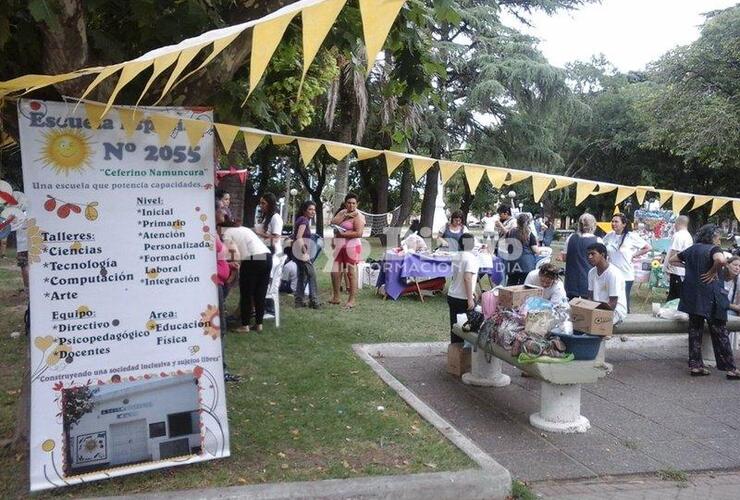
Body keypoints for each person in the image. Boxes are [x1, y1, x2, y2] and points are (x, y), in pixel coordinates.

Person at [668, 224, 740, 378]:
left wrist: (689, 266)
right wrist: (712, 271)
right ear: (712, 236)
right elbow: (720, 261)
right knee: (720, 332)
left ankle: (696, 366)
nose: (719, 239)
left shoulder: (692, 249)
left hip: (692, 295)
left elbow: (672, 260)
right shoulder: (714, 249)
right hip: (711, 296)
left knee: (695, 330)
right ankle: (731, 369)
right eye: (717, 236)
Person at [222, 225, 272, 333]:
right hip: (267, 256)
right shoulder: (243, 228)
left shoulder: (227, 233)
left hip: (252, 259)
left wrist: (233, 273)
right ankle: (259, 324)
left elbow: (235, 255)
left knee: (246, 294)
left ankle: (245, 325)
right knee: (260, 293)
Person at [603, 213, 651, 313]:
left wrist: (634, 255)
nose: (613, 223)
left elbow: (647, 247)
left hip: (626, 275)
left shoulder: (631, 236)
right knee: (611, 299)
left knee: (623, 301)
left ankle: (627, 323)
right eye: (612, 221)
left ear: (624, 224)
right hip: (611, 274)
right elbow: (602, 249)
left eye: (616, 221)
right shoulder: (609, 236)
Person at [330, 192, 365, 309]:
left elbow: (359, 233)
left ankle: (352, 300)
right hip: (339, 246)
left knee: (351, 273)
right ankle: (336, 297)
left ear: (357, 204)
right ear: (345, 203)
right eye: (349, 203)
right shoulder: (342, 212)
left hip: (352, 247)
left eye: (354, 203)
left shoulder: (358, 216)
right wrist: (345, 217)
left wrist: (343, 234)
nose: (351, 205)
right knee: (335, 271)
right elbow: (333, 223)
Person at [447, 233, 478, 343]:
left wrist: (473, 291)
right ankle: (463, 354)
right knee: (465, 328)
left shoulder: (456, 256)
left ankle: (454, 352)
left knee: (455, 327)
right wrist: (470, 298)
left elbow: (458, 276)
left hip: (452, 294)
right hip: (462, 298)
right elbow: (467, 278)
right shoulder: (471, 258)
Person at [561, 214, 601, 300]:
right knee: (588, 307)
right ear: (593, 225)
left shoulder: (571, 238)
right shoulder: (597, 241)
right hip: (588, 280)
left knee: (570, 307)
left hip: (571, 279)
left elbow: (564, 257)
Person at [586, 243, 627, 325]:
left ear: (602, 254)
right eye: (588, 254)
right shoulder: (591, 272)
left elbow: (613, 304)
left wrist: (596, 315)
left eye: (593, 254)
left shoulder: (613, 274)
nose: (589, 257)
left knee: (594, 326)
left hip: (615, 311)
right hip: (597, 309)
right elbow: (590, 297)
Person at [293, 200, 320, 308]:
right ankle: (314, 301)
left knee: (302, 276)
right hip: (301, 252)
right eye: (310, 209)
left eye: (314, 209)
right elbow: (299, 237)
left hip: (297, 251)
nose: (313, 212)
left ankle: (299, 301)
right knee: (311, 274)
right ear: (304, 210)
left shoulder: (301, 219)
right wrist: (304, 252)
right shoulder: (304, 220)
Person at [504, 213, 539, 286]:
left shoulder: (510, 232)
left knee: (511, 284)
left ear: (517, 222)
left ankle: (508, 297)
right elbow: (535, 250)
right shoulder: (529, 234)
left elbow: (507, 245)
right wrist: (541, 251)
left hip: (512, 263)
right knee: (524, 286)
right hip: (526, 264)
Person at [665, 215, 693, 301]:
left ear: (677, 223)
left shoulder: (679, 236)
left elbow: (674, 255)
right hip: (681, 271)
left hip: (677, 271)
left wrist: (669, 266)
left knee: (673, 298)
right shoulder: (688, 236)